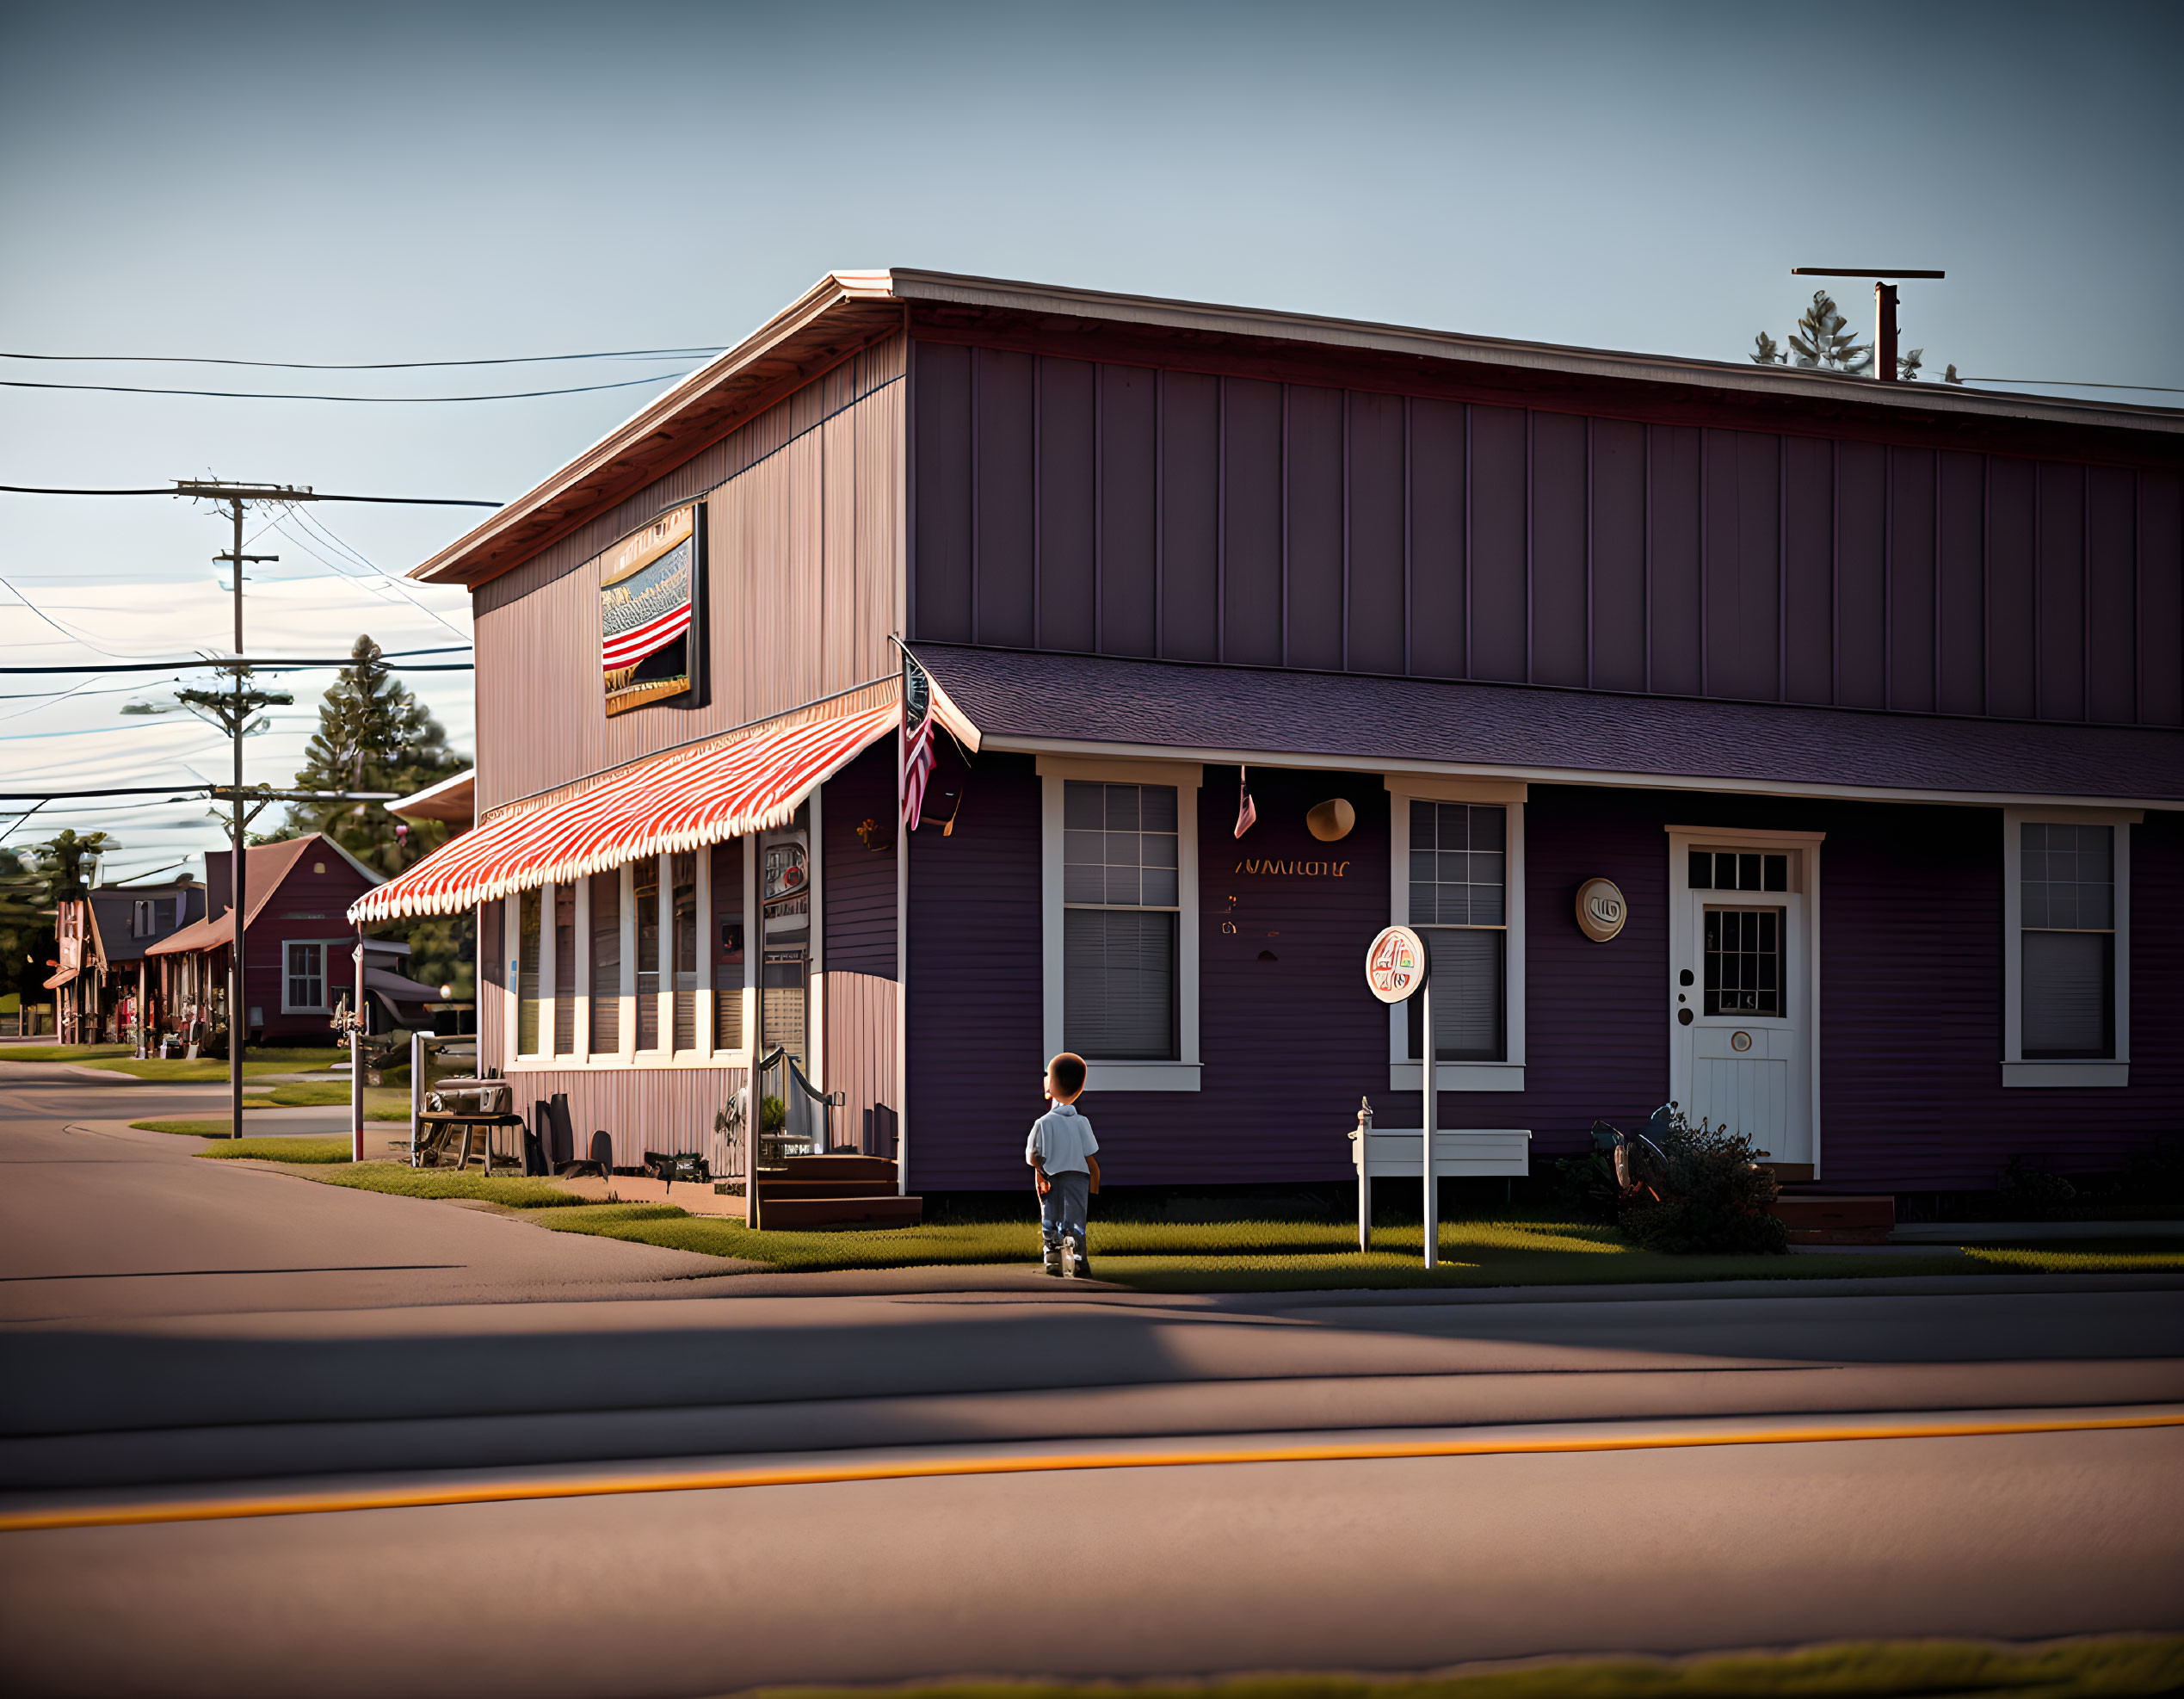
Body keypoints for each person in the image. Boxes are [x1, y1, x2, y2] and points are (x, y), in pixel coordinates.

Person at [1027, 1051, 1100, 1277]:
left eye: (1048, 1075)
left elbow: (1033, 1157)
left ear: (1051, 1087)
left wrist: (1039, 1176)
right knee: (1076, 1221)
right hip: (1079, 1177)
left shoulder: (1042, 1123)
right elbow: (1091, 1159)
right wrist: (1094, 1188)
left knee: (1051, 1216)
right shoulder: (1082, 1122)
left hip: (1053, 1177)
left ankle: (1053, 1256)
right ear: (1079, 1090)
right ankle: (1079, 1259)